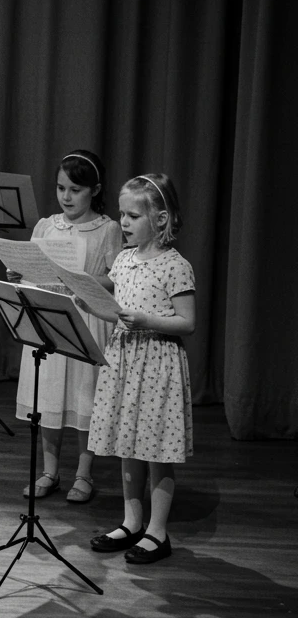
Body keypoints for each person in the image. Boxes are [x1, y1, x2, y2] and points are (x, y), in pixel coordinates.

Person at [80, 174, 194, 564]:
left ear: (160, 220)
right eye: (121, 214)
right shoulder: (125, 260)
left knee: (156, 449)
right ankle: (131, 522)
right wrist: (78, 297)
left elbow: (187, 322)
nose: (123, 223)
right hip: (124, 361)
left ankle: (157, 532)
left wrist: (147, 320)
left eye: (132, 216)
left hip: (157, 363)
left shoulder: (174, 265)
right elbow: (112, 308)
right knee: (127, 443)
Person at [8, 150, 122, 504]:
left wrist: (83, 280)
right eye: (61, 188)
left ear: (94, 190)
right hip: (49, 318)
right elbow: (30, 268)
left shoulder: (107, 229)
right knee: (49, 395)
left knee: (84, 397)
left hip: (85, 318)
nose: (66, 197)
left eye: (75, 189)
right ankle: (49, 470)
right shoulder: (46, 225)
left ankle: (84, 474)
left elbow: (117, 278)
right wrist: (17, 272)